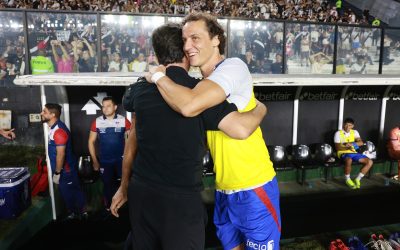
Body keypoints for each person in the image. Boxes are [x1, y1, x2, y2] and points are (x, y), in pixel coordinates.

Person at [111, 23, 267, 250]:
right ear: (186, 52)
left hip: (141, 193)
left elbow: (132, 139)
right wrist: (261, 107)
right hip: (180, 203)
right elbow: (241, 129)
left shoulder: (139, 90)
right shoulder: (199, 94)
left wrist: (124, 186)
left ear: (157, 54)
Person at [147, 13, 280, 250]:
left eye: (195, 38)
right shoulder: (199, 85)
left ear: (216, 39)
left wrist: (157, 75)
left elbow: (189, 106)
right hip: (223, 190)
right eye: (184, 40)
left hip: (254, 187)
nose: (187, 46)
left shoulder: (233, 66)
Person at [40, 103, 87, 219]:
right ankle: (76, 213)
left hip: (66, 170)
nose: (41, 113)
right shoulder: (53, 128)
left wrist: (57, 173)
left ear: (53, 115)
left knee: (70, 192)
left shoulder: (59, 131)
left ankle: (80, 214)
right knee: (68, 192)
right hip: (64, 170)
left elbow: (61, 155)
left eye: (44, 112)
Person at [88, 96, 131, 211]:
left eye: (108, 106)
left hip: (121, 160)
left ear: (115, 107)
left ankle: (124, 207)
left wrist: (128, 160)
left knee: (124, 183)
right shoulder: (97, 122)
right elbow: (91, 142)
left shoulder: (124, 120)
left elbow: (130, 142)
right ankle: (108, 208)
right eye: (103, 106)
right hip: (105, 161)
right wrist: (95, 161)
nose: (105, 108)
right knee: (107, 185)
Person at [334, 118, 373, 189]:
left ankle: (357, 179)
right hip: (342, 152)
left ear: (352, 126)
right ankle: (347, 179)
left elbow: (361, 142)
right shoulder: (338, 133)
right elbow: (337, 147)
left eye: (349, 125)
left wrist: (352, 144)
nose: (347, 127)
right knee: (349, 160)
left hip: (353, 152)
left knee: (369, 162)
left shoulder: (355, 132)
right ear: (343, 124)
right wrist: (346, 147)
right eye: (346, 125)